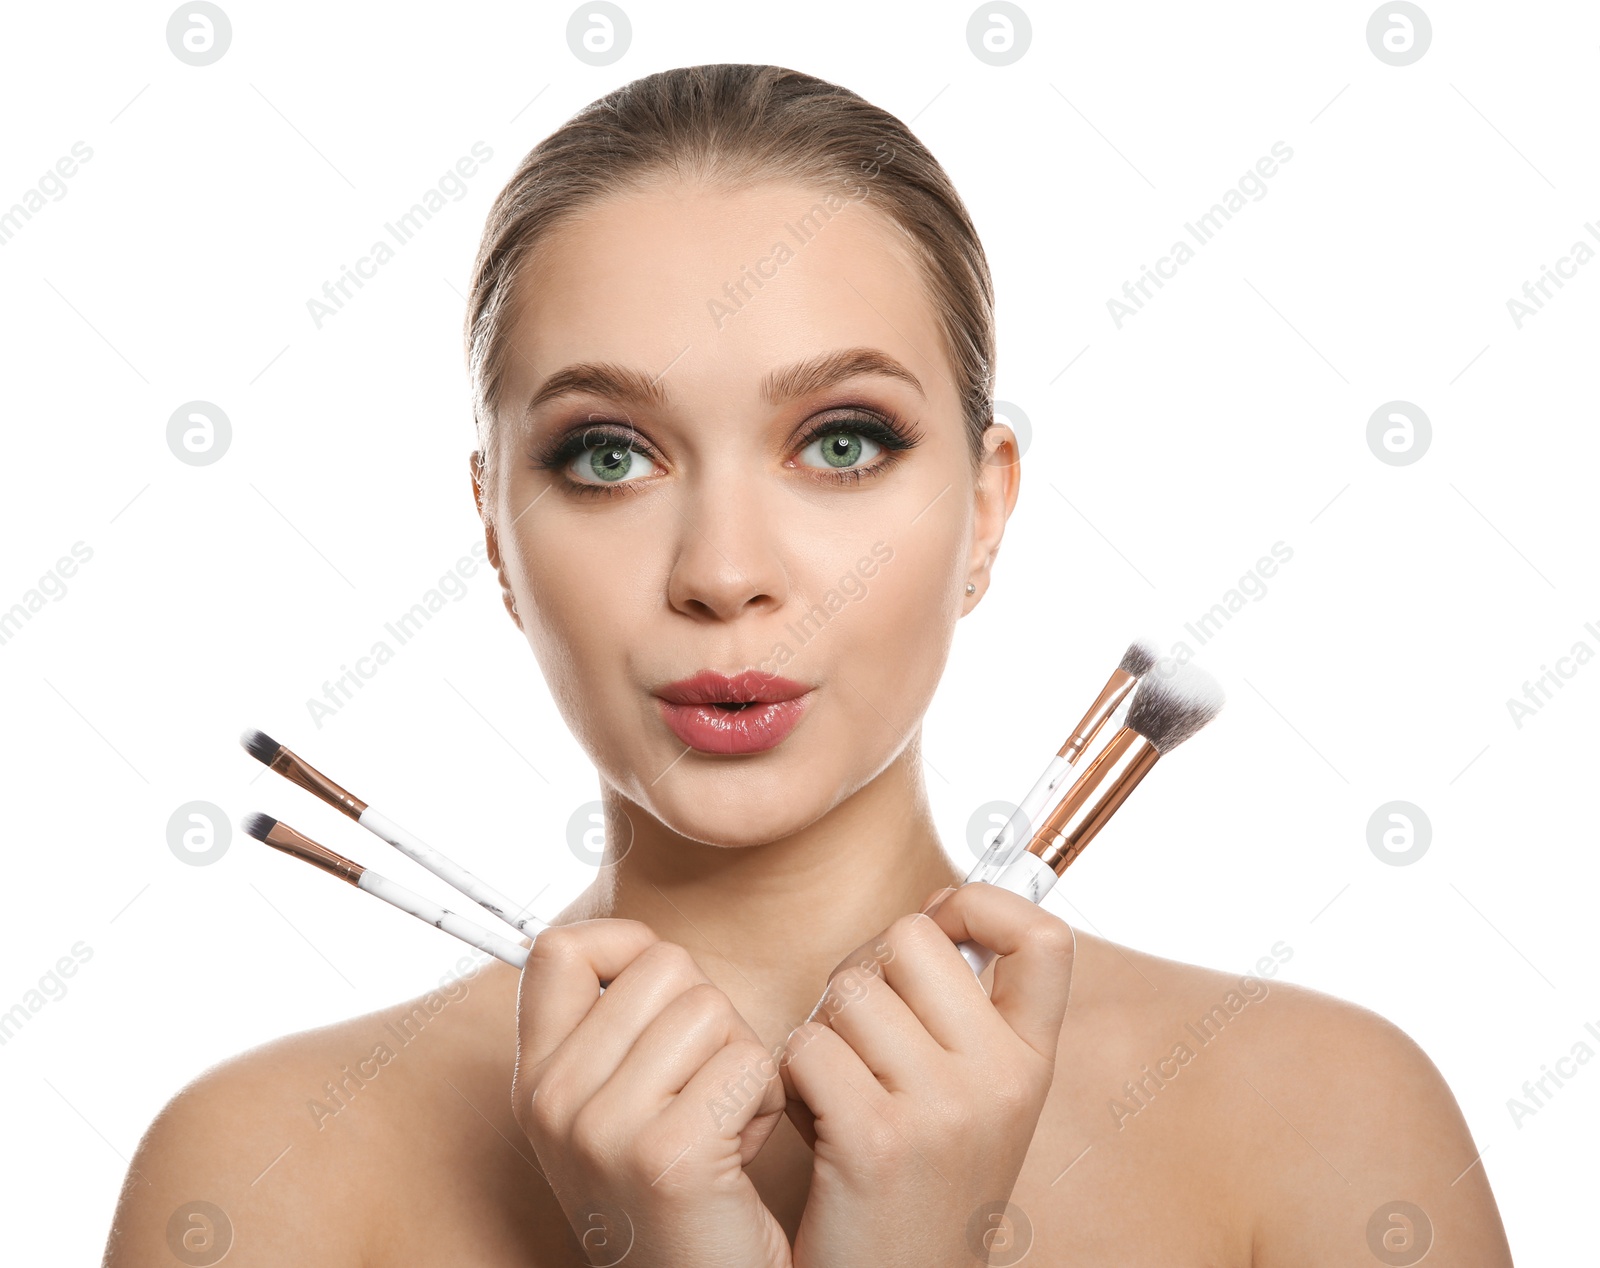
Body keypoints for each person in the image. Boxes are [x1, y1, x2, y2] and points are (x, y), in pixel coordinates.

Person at [103, 63, 1512, 1266]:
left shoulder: (1325, 1125)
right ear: (493, 528)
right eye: (608, 454)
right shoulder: (258, 1178)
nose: (724, 571)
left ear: (986, 509)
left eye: (842, 442)